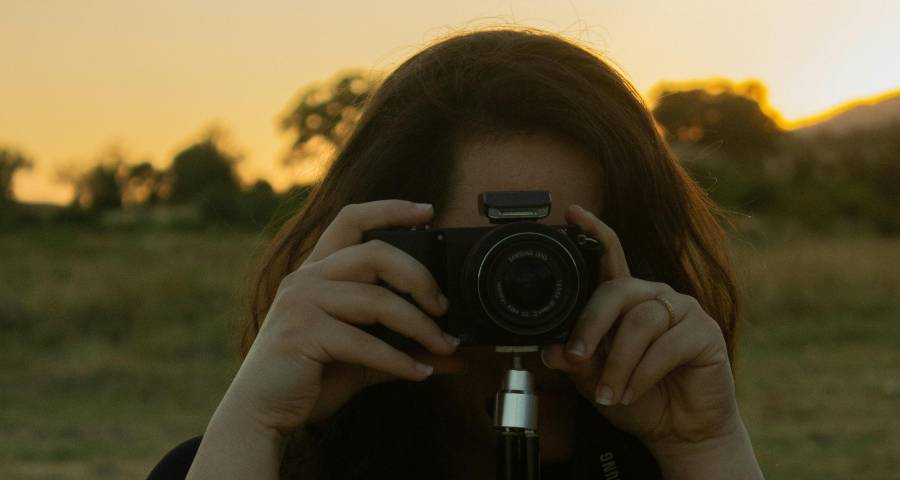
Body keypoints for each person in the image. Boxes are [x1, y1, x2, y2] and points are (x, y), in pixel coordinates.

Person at [147, 28, 765, 480]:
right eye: (485, 263)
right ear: (381, 262)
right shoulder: (240, 463)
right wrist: (258, 423)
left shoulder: (664, 464)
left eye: (562, 261)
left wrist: (705, 448)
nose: (525, 303)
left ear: (642, 258)